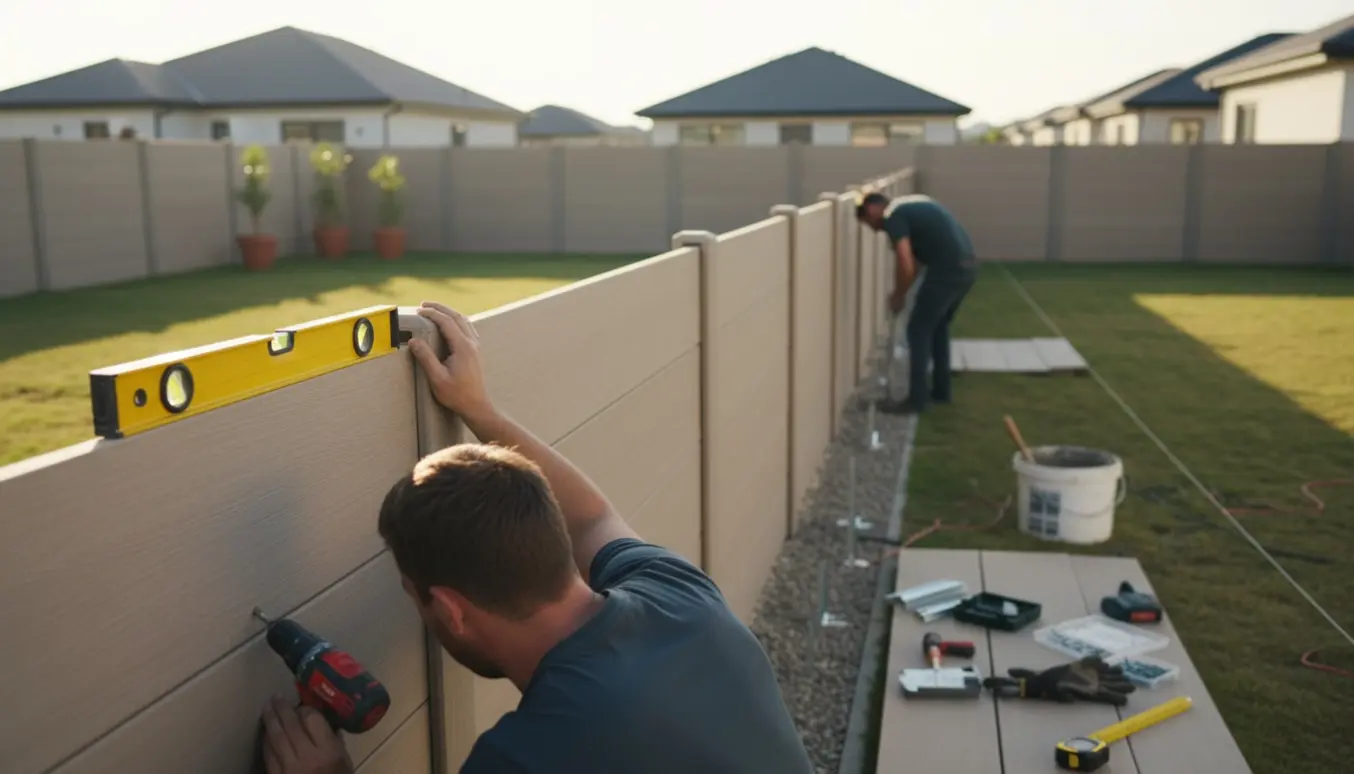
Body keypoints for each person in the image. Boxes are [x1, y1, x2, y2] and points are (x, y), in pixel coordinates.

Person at [259, 301, 814, 774]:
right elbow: (594, 519)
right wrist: (479, 409)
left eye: (414, 595)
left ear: (450, 609)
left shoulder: (529, 755)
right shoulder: (679, 597)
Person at [856, 192, 978, 415]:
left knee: (917, 329)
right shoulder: (914, 204)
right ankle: (941, 393)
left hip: (947, 270)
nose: (874, 230)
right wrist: (902, 290)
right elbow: (916, 264)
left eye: (868, 223)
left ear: (873, 209)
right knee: (938, 327)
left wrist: (899, 296)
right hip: (968, 267)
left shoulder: (893, 217)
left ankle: (916, 400)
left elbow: (905, 262)